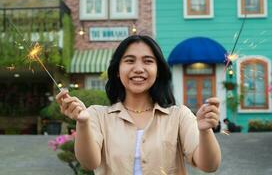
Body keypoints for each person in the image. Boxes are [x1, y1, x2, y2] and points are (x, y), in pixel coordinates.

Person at [56, 35, 221, 175]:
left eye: (148, 61)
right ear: (117, 71)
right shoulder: (97, 115)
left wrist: (205, 130)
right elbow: (89, 163)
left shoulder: (179, 116)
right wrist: (83, 123)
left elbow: (209, 165)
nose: (138, 69)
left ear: (158, 71)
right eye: (129, 61)